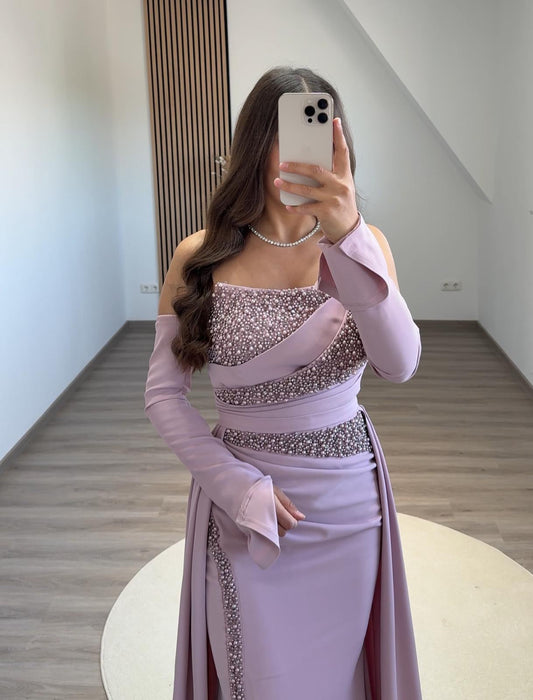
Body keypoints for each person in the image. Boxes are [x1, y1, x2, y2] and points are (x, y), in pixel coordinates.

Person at [144, 66, 423, 700]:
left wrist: (348, 239)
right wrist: (237, 488)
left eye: (320, 132)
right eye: (286, 135)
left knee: (338, 677)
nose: (304, 153)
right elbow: (163, 396)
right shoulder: (198, 256)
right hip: (244, 503)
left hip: (348, 504)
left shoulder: (366, 245)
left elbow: (399, 365)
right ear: (254, 146)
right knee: (258, 679)